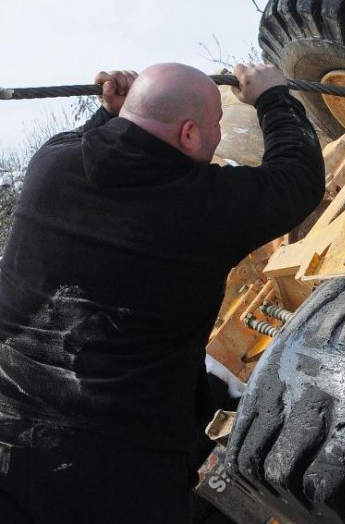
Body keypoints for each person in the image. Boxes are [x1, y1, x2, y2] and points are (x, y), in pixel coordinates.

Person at [0, 63, 324, 523]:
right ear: (189, 133)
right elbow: (297, 181)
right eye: (215, 126)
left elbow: (90, 139)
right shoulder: (201, 207)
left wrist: (110, 114)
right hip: (115, 466)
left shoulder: (51, 165)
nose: (216, 138)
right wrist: (273, 98)